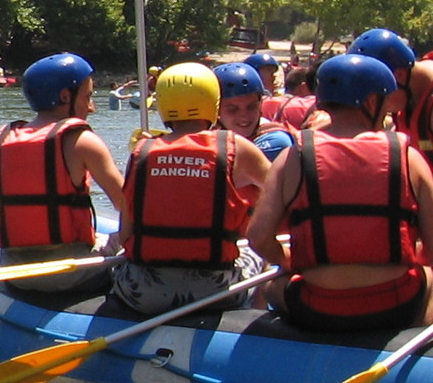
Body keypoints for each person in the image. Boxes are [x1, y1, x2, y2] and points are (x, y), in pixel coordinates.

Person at [247, 53, 433, 334]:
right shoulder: (407, 155)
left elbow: (258, 236)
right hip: (395, 304)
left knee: (270, 285)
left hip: (316, 306)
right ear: (372, 102)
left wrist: (287, 261)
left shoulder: (293, 155)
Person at [110, 63, 272, 313]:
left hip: (143, 293)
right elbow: (284, 192)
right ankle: (257, 319)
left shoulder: (141, 152)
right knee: (261, 254)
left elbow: (125, 235)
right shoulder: (237, 146)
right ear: (213, 102)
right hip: (215, 291)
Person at [0, 52, 127, 293]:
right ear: (65, 96)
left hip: (14, 271)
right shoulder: (83, 141)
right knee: (126, 239)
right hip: (68, 274)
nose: (92, 108)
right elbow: (130, 205)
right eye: (88, 97)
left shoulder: (4, 137)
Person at [214, 61, 294, 164]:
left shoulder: (275, 140)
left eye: (251, 107)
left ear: (260, 105)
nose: (244, 116)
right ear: (216, 109)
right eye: (232, 109)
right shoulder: (208, 133)